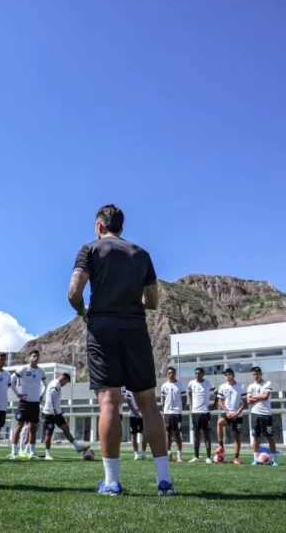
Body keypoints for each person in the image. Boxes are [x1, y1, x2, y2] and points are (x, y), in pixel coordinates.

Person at [67, 204, 176, 496]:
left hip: (102, 328)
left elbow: (74, 292)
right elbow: (152, 302)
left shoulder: (89, 249)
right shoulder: (141, 253)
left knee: (109, 402)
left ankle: (112, 482)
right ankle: (164, 481)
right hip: (135, 329)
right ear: (121, 228)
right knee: (149, 404)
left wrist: (83, 312)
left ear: (99, 226)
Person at [41, 373, 90, 460]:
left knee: (65, 427)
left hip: (56, 413)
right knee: (49, 434)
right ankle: (47, 454)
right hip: (50, 413)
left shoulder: (57, 384)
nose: (65, 384)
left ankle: (77, 447)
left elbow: (55, 400)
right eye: (66, 382)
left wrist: (59, 410)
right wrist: (55, 411)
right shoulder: (55, 384)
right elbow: (50, 399)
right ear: (63, 378)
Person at [10, 350, 46, 459]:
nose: (36, 358)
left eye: (38, 356)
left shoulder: (41, 371)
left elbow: (45, 385)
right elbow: (12, 380)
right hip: (24, 403)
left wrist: (41, 396)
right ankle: (14, 452)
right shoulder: (23, 369)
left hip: (35, 403)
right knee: (19, 426)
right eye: (34, 356)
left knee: (33, 428)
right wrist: (18, 394)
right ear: (29, 357)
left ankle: (32, 452)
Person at [213, 368, 247, 464]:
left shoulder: (241, 386)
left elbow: (244, 402)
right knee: (219, 422)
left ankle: (236, 458)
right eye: (226, 375)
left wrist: (236, 413)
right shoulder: (223, 387)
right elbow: (220, 400)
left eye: (229, 374)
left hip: (237, 415)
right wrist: (226, 411)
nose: (228, 376)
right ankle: (221, 447)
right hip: (227, 413)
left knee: (236, 437)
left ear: (233, 375)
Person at [246, 367, 278, 466]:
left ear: (261, 374)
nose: (255, 376)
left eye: (257, 374)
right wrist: (259, 397)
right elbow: (248, 400)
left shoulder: (267, 383)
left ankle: (273, 459)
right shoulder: (250, 386)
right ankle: (256, 459)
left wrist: (254, 397)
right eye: (253, 374)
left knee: (270, 437)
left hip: (266, 414)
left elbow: (265, 396)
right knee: (256, 437)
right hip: (255, 414)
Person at [186, 367, 215, 463]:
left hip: (205, 412)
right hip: (195, 412)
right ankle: (196, 456)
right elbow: (189, 393)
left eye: (199, 373)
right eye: (196, 373)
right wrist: (190, 406)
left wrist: (214, 405)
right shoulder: (191, 383)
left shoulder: (208, 383)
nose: (197, 375)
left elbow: (217, 393)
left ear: (203, 374)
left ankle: (208, 457)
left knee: (206, 434)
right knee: (196, 434)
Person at [160, 367, 185, 463]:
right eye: (169, 373)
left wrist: (180, 408)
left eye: (173, 373)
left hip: (177, 413)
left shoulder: (180, 385)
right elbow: (163, 400)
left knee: (178, 434)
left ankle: (179, 456)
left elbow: (184, 399)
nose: (171, 374)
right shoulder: (164, 386)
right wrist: (164, 410)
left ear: (175, 374)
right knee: (168, 434)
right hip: (167, 413)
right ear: (167, 374)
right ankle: (168, 454)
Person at [124, 387, 148, 460]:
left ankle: (143, 453)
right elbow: (128, 401)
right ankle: (136, 454)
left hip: (143, 415)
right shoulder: (129, 389)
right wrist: (135, 411)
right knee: (134, 435)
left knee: (145, 434)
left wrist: (140, 409)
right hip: (132, 415)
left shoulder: (143, 387)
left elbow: (146, 400)